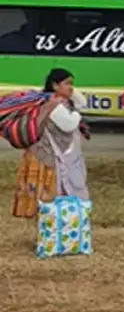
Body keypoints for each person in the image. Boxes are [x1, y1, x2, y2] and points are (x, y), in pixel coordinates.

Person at [11, 68, 89, 219]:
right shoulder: (52, 104)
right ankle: (48, 234)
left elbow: (82, 103)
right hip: (46, 157)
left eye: (72, 83)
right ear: (55, 86)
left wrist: (71, 93)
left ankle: (52, 233)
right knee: (47, 200)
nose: (71, 87)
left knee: (51, 201)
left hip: (51, 156)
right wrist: (77, 114)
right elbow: (69, 124)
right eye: (67, 83)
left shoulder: (58, 101)